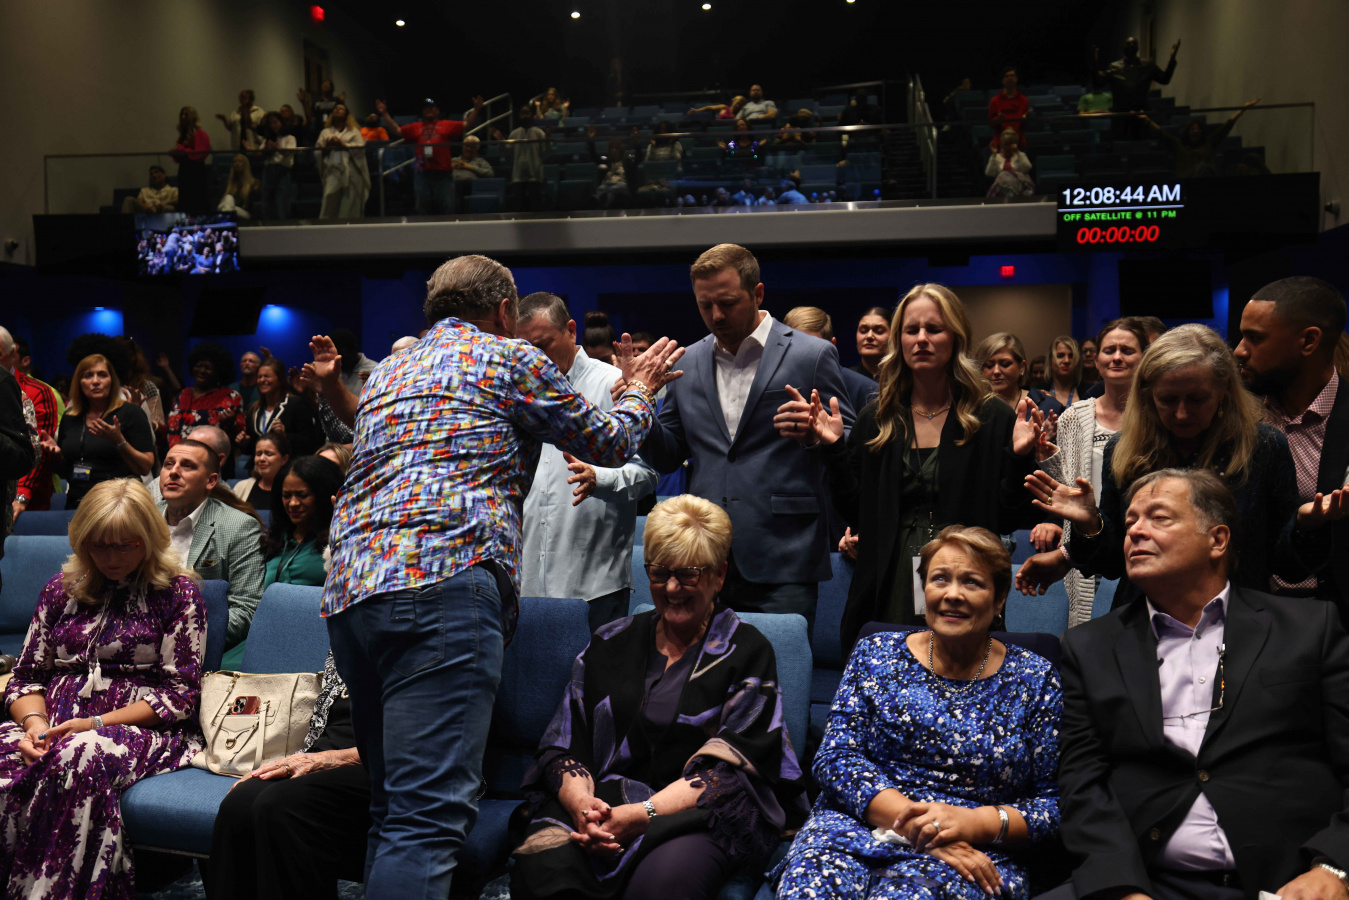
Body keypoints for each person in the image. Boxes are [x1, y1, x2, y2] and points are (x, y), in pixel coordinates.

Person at [321, 254, 685, 898]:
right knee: (427, 818)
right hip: (442, 585)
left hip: (351, 594)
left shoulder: (389, 372)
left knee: (392, 806)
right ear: (503, 311)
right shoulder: (508, 357)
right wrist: (640, 389)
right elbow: (606, 441)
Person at [1052, 468, 1349, 900]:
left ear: (1217, 540)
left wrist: (1334, 867)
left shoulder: (1308, 629)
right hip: (1145, 879)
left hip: (1290, 881)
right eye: (1130, 521)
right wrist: (1120, 887)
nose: (1136, 531)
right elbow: (1082, 783)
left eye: (1159, 517)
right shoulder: (1089, 647)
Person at [511, 495, 809, 900]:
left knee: (662, 885)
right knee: (545, 864)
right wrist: (584, 808)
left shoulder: (747, 651)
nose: (671, 588)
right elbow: (564, 743)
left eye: (687, 574)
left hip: (694, 813)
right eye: (659, 572)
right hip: (602, 801)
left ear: (719, 575)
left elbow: (731, 773)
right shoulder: (611, 640)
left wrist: (641, 814)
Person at [773, 525, 1062, 900]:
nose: (952, 594)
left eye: (972, 582)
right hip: (854, 826)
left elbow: (1052, 804)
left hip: (970, 850)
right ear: (923, 589)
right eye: (939, 579)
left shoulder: (1036, 678)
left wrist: (974, 822)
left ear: (1000, 598)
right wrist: (919, 827)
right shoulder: (876, 652)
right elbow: (836, 758)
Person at [1021, 324, 1344, 609]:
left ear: (1223, 391)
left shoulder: (1263, 447)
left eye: (1196, 399)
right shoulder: (1126, 449)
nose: (1181, 414)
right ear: (1148, 396)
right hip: (1145, 621)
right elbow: (1113, 563)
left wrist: (1306, 527)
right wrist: (1090, 524)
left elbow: (1287, 568)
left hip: (1238, 621)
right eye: (1168, 400)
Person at [799, 283, 1044, 645]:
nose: (922, 339)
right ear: (899, 340)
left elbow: (1007, 519)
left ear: (955, 337)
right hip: (889, 575)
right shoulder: (877, 418)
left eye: (934, 329)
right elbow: (855, 511)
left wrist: (1020, 458)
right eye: (911, 330)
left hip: (963, 577)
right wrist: (834, 448)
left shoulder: (990, 417)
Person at [0, 478, 205, 899]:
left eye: (124, 546)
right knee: (15, 753)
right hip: (53, 725)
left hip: (142, 730)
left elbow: (180, 696)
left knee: (78, 755)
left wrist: (93, 723)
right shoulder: (61, 590)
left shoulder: (177, 594)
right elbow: (26, 677)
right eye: (99, 546)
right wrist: (35, 727)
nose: (111, 558)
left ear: (148, 538)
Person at [640, 244, 856, 630]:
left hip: (784, 554)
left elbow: (849, 438)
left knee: (780, 662)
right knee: (704, 665)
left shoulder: (811, 354)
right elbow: (668, 454)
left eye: (727, 303)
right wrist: (637, 405)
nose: (716, 315)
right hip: (703, 555)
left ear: (757, 294)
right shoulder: (687, 362)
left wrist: (816, 437)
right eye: (705, 305)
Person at [517, 293, 658, 631]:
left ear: (571, 331)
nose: (535, 359)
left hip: (595, 585)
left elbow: (648, 473)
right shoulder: (517, 391)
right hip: (525, 583)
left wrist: (600, 479)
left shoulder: (614, 385)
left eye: (543, 345)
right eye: (525, 350)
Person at [207, 647, 367, 900]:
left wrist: (332, 759)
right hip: (331, 747)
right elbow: (324, 720)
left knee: (280, 804)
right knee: (238, 805)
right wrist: (301, 757)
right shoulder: (348, 624)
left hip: (385, 759)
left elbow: (424, 740)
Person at [1020, 319, 1150, 625]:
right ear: (1097, 360)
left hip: (1139, 542)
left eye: (1127, 350)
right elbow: (1068, 488)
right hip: (1084, 541)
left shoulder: (1156, 416)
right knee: (1087, 630)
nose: (1116, 357)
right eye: (1109, 350)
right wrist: (1047, 458)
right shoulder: (1074, 417)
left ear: (1145, 357)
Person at [1235, 276, 1349, 613]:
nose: (1239, 350)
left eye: (1255, 338)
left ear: (1309, 341)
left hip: (1335, 615)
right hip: (1244, 613)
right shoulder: (1230, 415)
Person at [158, 439, 266, 663]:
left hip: (199, 651)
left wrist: (181, 637)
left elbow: (247, 608)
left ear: (210, 481)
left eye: (187, 466)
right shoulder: (141, 518)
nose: (174, 472)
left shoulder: (238, 527)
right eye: (168, 464)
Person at [41, 354, 155, 510]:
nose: (95, 381)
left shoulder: (130, 413)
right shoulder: (70, 417)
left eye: (102, 375)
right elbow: (64, 470)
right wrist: (55, 454)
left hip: (117, 505)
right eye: (88, 376)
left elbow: (145, 467)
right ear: (79, 383)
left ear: (112, 381)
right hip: (78, 502)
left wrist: (119, 441)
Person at [376, 96, 484, 215]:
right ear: (422, 112)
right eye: (426, 108)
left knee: (447, 207)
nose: (429, 110)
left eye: (432, 108)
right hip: (422, 174)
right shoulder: (416, 126)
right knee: (423, 209)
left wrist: (476, 109)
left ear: (437, 111)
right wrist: (385, 113)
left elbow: (467, 125)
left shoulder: (446, 124)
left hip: (442, 175)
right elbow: (397, 130)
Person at [1, 326, 61, 518]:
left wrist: (21, 495)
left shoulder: (36, 392)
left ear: (12, 354)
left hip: (27, 502)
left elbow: (36, 450)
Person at [783, 307, 879, 416]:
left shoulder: (867, 391)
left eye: (812, 347)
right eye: (795, 346)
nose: (803, 354)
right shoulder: (773, 384)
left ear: (832, 346)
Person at [167, 341, 244, 476]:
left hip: (211, 469)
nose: (202, 371)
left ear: (218, 371)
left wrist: (229, 424)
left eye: (208, 368)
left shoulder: (230, 397)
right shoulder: (183, 395)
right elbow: (170, 430)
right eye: (198, 366)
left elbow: (240, 435)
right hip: (177, 466)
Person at [1142, 100, 1261, 179]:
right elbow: (1161, 133)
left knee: (1202, 167)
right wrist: (1146, 119)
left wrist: (1242, 109)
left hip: (1206, 178)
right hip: (1186, 180)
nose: (1196, 131)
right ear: (1188, 132)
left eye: (1198, 129)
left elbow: (1226, 127)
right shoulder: (1179, 145)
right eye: (1193, 129)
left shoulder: (1209, 143)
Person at [237, 355, 320, 458]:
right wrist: (244, 443)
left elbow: (309, 443)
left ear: (280, 379)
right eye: (259, 377)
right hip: (259, 464)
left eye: (267, 376)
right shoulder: (253, 409)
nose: (262, 380)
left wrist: (285, 436)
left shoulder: (296, 404)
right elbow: (251, 448)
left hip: (289, 463)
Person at [1099, 36, 1180, 139]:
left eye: (1134, 44)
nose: (1131, 46)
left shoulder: (1147, 65)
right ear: (1124, 47)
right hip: (1121, 117)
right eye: (1129, 44)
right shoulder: (1114, 67)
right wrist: (1094, 64)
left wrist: (1172, 60)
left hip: (1142, 114)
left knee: (1143, 144)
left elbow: (1164, 79)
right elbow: (1099, 84)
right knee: (1121, 144)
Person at [974, 332, 1065, 420]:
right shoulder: (973, 408)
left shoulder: (1047, 406)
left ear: (1022, 367)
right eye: (989, 365)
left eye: (1005, 364)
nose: (996, 371)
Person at [316, 103, 369, 219]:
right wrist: (327, 146)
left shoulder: (353, 131)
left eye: (341, 109)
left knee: (349, 202)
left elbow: (360, 149)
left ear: (346, 114)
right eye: (336, 108)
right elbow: (318, 151)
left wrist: (343, 145)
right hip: (333, 168)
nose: (338, 110)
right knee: (330, 199)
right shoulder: (325, 132)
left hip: (351, 169)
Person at [251, 112, 298, 219]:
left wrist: (276, 148)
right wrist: (266, 148)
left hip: (282, 170)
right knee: (266, 201)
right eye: (271, 123)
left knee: (281, 201)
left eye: (275, 122)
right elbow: (259, 154)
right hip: (268, 170)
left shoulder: (290, 138)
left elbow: (287, 153)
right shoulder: (267, 139)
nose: (273, 125)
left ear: (281, 123)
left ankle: (283, 224)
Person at [231, 432, 290, 512]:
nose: (262, 459)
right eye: (258, 454)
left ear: (284, 459)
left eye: (269, 454)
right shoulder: (242, 487)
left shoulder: (293, 490)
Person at [505, 106, 549, 211]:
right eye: (522, 113)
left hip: (535, 176)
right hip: (518, 176)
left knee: (536, 208)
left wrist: (547, 139)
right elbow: (506, 153)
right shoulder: (514, 134)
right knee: (519, 209)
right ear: (519, 116)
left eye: (527, 113)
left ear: (532, 115)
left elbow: (545, 153)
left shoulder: (539, 133)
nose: (525, 116)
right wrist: (501, 141)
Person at [170, 106, 211, 214]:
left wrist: (182, 150)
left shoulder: (200, 133)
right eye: (182, 114)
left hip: (195, 171)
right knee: (185, 201)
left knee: (196, 201)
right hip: (184, 170)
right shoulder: (182, 136)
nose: (183, 117)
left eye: (186, 114)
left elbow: (200, 153)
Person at [985, 129, 1035, 200]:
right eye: (1006, 144)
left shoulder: (1021, 155)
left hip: (1019, 188)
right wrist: (994, 154)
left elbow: (1027, 168)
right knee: (1003, 176)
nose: (1008, 147)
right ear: (1002, 144)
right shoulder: (996, 157)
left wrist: (1017, 152)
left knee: (1004, 175)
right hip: (1002, 189)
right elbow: (989, 173)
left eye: (1010, 144)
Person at [988, 67, 1030, 147]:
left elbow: (1025, 126)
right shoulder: (994, 100)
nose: (1009, 78)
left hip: (1019, 143)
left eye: (1012, 75)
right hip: (1000, 144)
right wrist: (997, 120)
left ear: (1016, 79)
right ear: (1002, 81)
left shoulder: (1024, 100)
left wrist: (1025, 120)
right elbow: (991, 124)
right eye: (1006, 76)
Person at [852, 307, 891, 381]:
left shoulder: (905, 380)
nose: (869, 336)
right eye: (863, 331)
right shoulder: (843, 380)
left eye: (879, 331)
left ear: (893, 336)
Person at [217, 153, 259, 218]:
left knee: (229, 202)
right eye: (234, 161)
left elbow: (252, 204)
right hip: (228, 207)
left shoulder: (254, 183)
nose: (237, 164)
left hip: (244, 212)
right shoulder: (227, 184)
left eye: (240, 161)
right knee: (228, 198)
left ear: (245, 164)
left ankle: (225, 220)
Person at [1047, 335, 1084, 407]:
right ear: (1050, 360)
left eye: (1071, 356)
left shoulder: (1089, 392)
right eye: (1060, 356)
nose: (1066, 361)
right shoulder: (1038, 392)